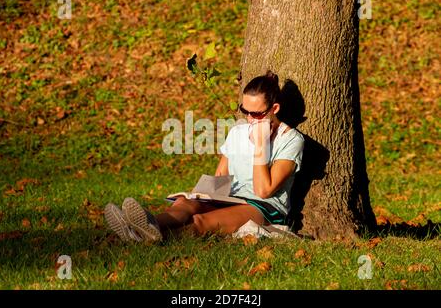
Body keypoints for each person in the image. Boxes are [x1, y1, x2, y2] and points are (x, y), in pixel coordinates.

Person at [104, 70, 304, 243]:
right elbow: (220, 176)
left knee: (201, 222)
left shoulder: (291, 140)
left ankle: (142, 237)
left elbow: (263, 190)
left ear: (274, 109)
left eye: (257, 114)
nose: (250, 119)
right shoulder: (238, 131)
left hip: (263, 208)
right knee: (184, 205)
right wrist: (198, 196)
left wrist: (261, 145)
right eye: (245, 111)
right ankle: (143, 225)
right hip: (232, 198)